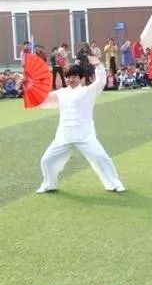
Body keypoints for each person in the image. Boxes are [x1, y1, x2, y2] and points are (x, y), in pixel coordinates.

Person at [36, 54, 125, 193]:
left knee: (101, 157)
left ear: (81, 78)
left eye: (74, 77)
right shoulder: (61, 93)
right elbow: (43, 100)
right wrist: (28, 86)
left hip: (85, 135)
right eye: (69, 77)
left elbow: (100, 82)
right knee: (47, 160)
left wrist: (98, 65)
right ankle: (49, 184)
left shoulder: (87, 91)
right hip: (63, 136)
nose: (71, 79)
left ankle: (114, 184)